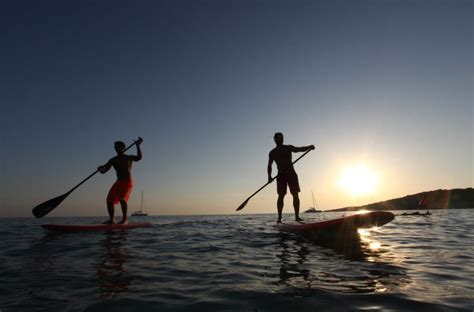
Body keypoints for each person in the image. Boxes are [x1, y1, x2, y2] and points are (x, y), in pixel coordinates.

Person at [267, 132, 315, 223]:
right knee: (281, 196)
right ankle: (279, 217)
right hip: (280, 176)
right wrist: (269, 177)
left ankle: (297, 216)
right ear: (275, 139)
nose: (281, 139)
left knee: (295, 195)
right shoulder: (272, 152)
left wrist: (309, 147)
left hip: (291, 174)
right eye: (279, 138)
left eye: (282, 138)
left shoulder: (288, 147)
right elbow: (269, 165)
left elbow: (299, 149)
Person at [98, 138, 143, 224]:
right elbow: (104, 171)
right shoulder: (113, 160)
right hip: (118, 182)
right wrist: (100, 169)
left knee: (122, 199)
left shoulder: (128, 157)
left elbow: (139, 158)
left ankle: (124, 219)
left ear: (123, 148)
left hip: (127, 182)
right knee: (109, 200)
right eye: (115, 147)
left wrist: (138, 146)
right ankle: (112, 220)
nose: (116, 149)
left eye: (118, 147)